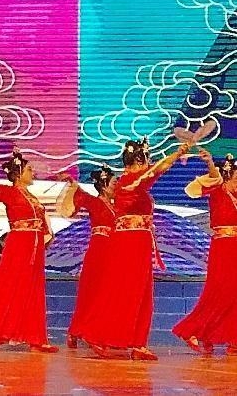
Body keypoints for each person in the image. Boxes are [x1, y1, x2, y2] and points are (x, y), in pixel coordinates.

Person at [81, 138, 191, 360]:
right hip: (129, 242)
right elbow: (155, 171)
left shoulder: (132, 183)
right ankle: (97, 333)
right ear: (139, 160)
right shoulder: (129, 181)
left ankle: (137, 342)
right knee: (125, 289)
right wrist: (177, 153)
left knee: (140, 291)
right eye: (146, 159)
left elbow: (153, 173)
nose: (148, 163)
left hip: (138, 241)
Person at [0, 148, 58, 353]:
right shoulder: (10, 192)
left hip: (34, 245)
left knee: (34, 289)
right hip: (19, 244)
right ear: (18, 173)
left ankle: (36, 337)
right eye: (29, 169)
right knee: (7, 286)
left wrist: (46, 235)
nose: (33, 173)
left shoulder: (31, 196)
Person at [172, 151, 237, 355]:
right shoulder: (217, 189)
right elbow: (212, 178)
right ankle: (192, 330)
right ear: (228, 176)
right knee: (220, 292)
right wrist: (210, 163)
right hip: (223, 247)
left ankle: (231, 338)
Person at [54, 165, 116, 349]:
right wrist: (72, 182)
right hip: (99, 248)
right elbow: (79, 194)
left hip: (114, 250)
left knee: (108, 292)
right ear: (104, 185)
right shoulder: (94, 202)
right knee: (92, 291)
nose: (116, 186)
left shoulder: (117, 206)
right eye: (114, 183)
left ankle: (99, 331)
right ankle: (80, 330)